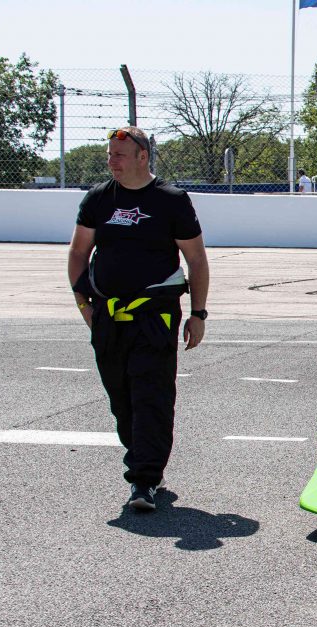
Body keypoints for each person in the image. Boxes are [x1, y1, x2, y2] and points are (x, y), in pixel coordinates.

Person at [67, 126, 210, 512]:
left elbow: (195, 259)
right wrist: (84, 306)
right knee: (122, 399)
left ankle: (144, 479)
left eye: (119, 155)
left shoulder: (171, 201)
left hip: (155, 317)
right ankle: (146, 463)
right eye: (110, 155)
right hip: (108, 318)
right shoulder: (98, 200)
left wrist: (198, 313)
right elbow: (79, 253)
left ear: (142, 156)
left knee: (151, 396)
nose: (111, 162)